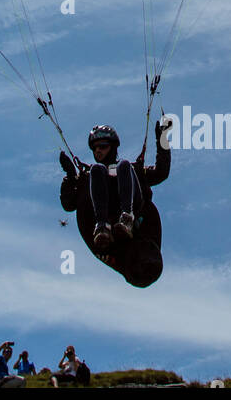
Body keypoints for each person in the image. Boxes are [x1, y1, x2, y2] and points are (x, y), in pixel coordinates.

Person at [60, 116, 172, 288]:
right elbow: (69, 204)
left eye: (103, 147)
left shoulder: (133, 171)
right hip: (107, 233)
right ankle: (103, 226)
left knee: (124, 166)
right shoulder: (87, 178)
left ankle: (127, 218)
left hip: (135, 224)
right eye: (95, 148)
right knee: (97, 170)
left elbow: (161, 172)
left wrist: (163, 139)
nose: (98, 151)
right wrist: (69, 176)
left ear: (113, 147)